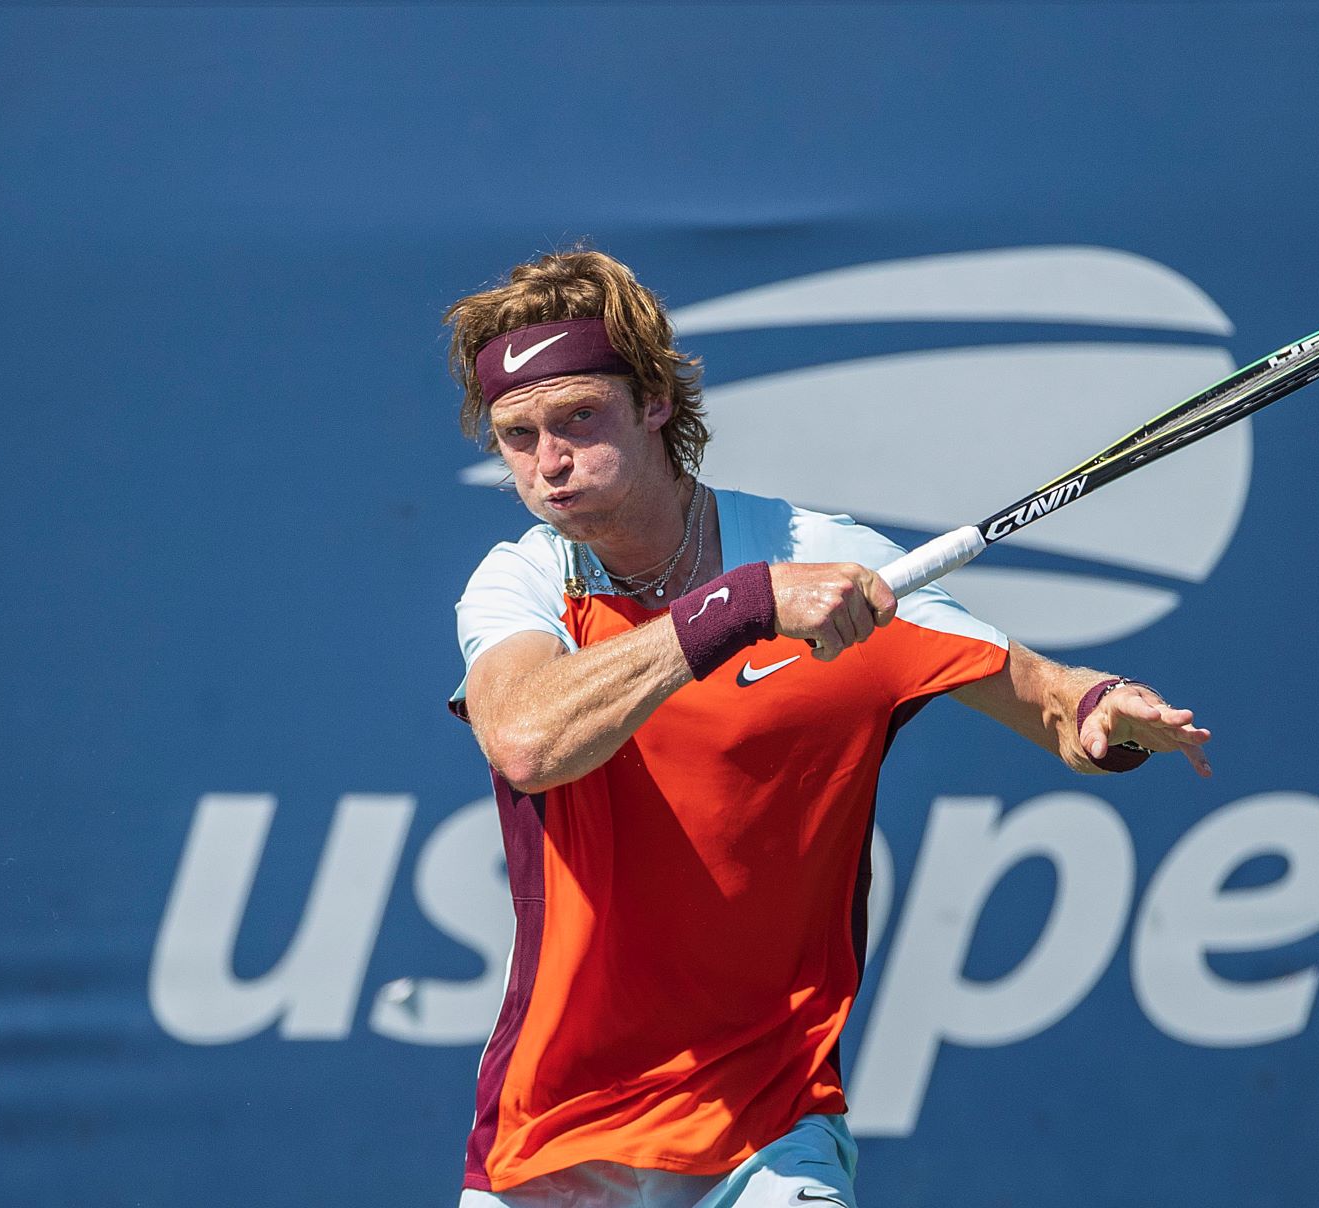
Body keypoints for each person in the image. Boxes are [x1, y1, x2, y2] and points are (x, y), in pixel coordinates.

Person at [444, 249, 1212, 1208]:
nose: (549, 463)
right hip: (553, 1132)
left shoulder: (827, 558)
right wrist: (742, 606)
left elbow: (1057, 705)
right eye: (518, 436)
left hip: (769, 1120)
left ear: (654, 403)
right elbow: (525, 741)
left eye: (579, 418)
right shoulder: (521, 582)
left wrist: (1109, 715)